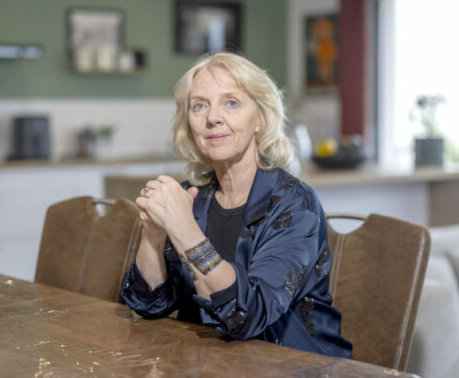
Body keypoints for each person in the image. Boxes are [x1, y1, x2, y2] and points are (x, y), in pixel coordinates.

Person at [121, 52, 352, 358]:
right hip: (213, 363)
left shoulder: (295, 204)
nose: (212, 118)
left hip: (298, 366)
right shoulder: (193, 198)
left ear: (260, 119)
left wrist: (184, 230)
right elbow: (149, 304)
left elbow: (247, 315)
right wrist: (153, 234)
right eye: (200, 105)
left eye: (231, 103)